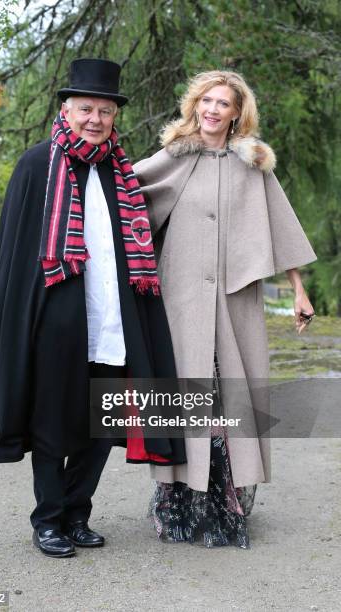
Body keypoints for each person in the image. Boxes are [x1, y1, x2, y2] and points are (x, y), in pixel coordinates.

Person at [0, 58, 185, 558]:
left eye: (105, 111)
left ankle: (76, 512)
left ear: (114, 116)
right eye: (86, 108)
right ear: (66, 110)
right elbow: (16, 256)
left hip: (112, 316)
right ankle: (47, 520)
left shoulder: (122, 174)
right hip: (56, 318)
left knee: (102, 421)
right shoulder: (35, 165)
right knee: (51, 422)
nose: (95, 119)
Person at [134, 70, 316, 548]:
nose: (213, 109)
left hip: (235, 300)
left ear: (238, 113)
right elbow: (126, 199)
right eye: (206, 101)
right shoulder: (173, 156)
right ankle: (174, 499)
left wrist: (299, 290)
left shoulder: (253, 165)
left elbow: (281, 228)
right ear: (195, 105)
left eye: (223, 103)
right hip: (182, 298)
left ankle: (224, 503)